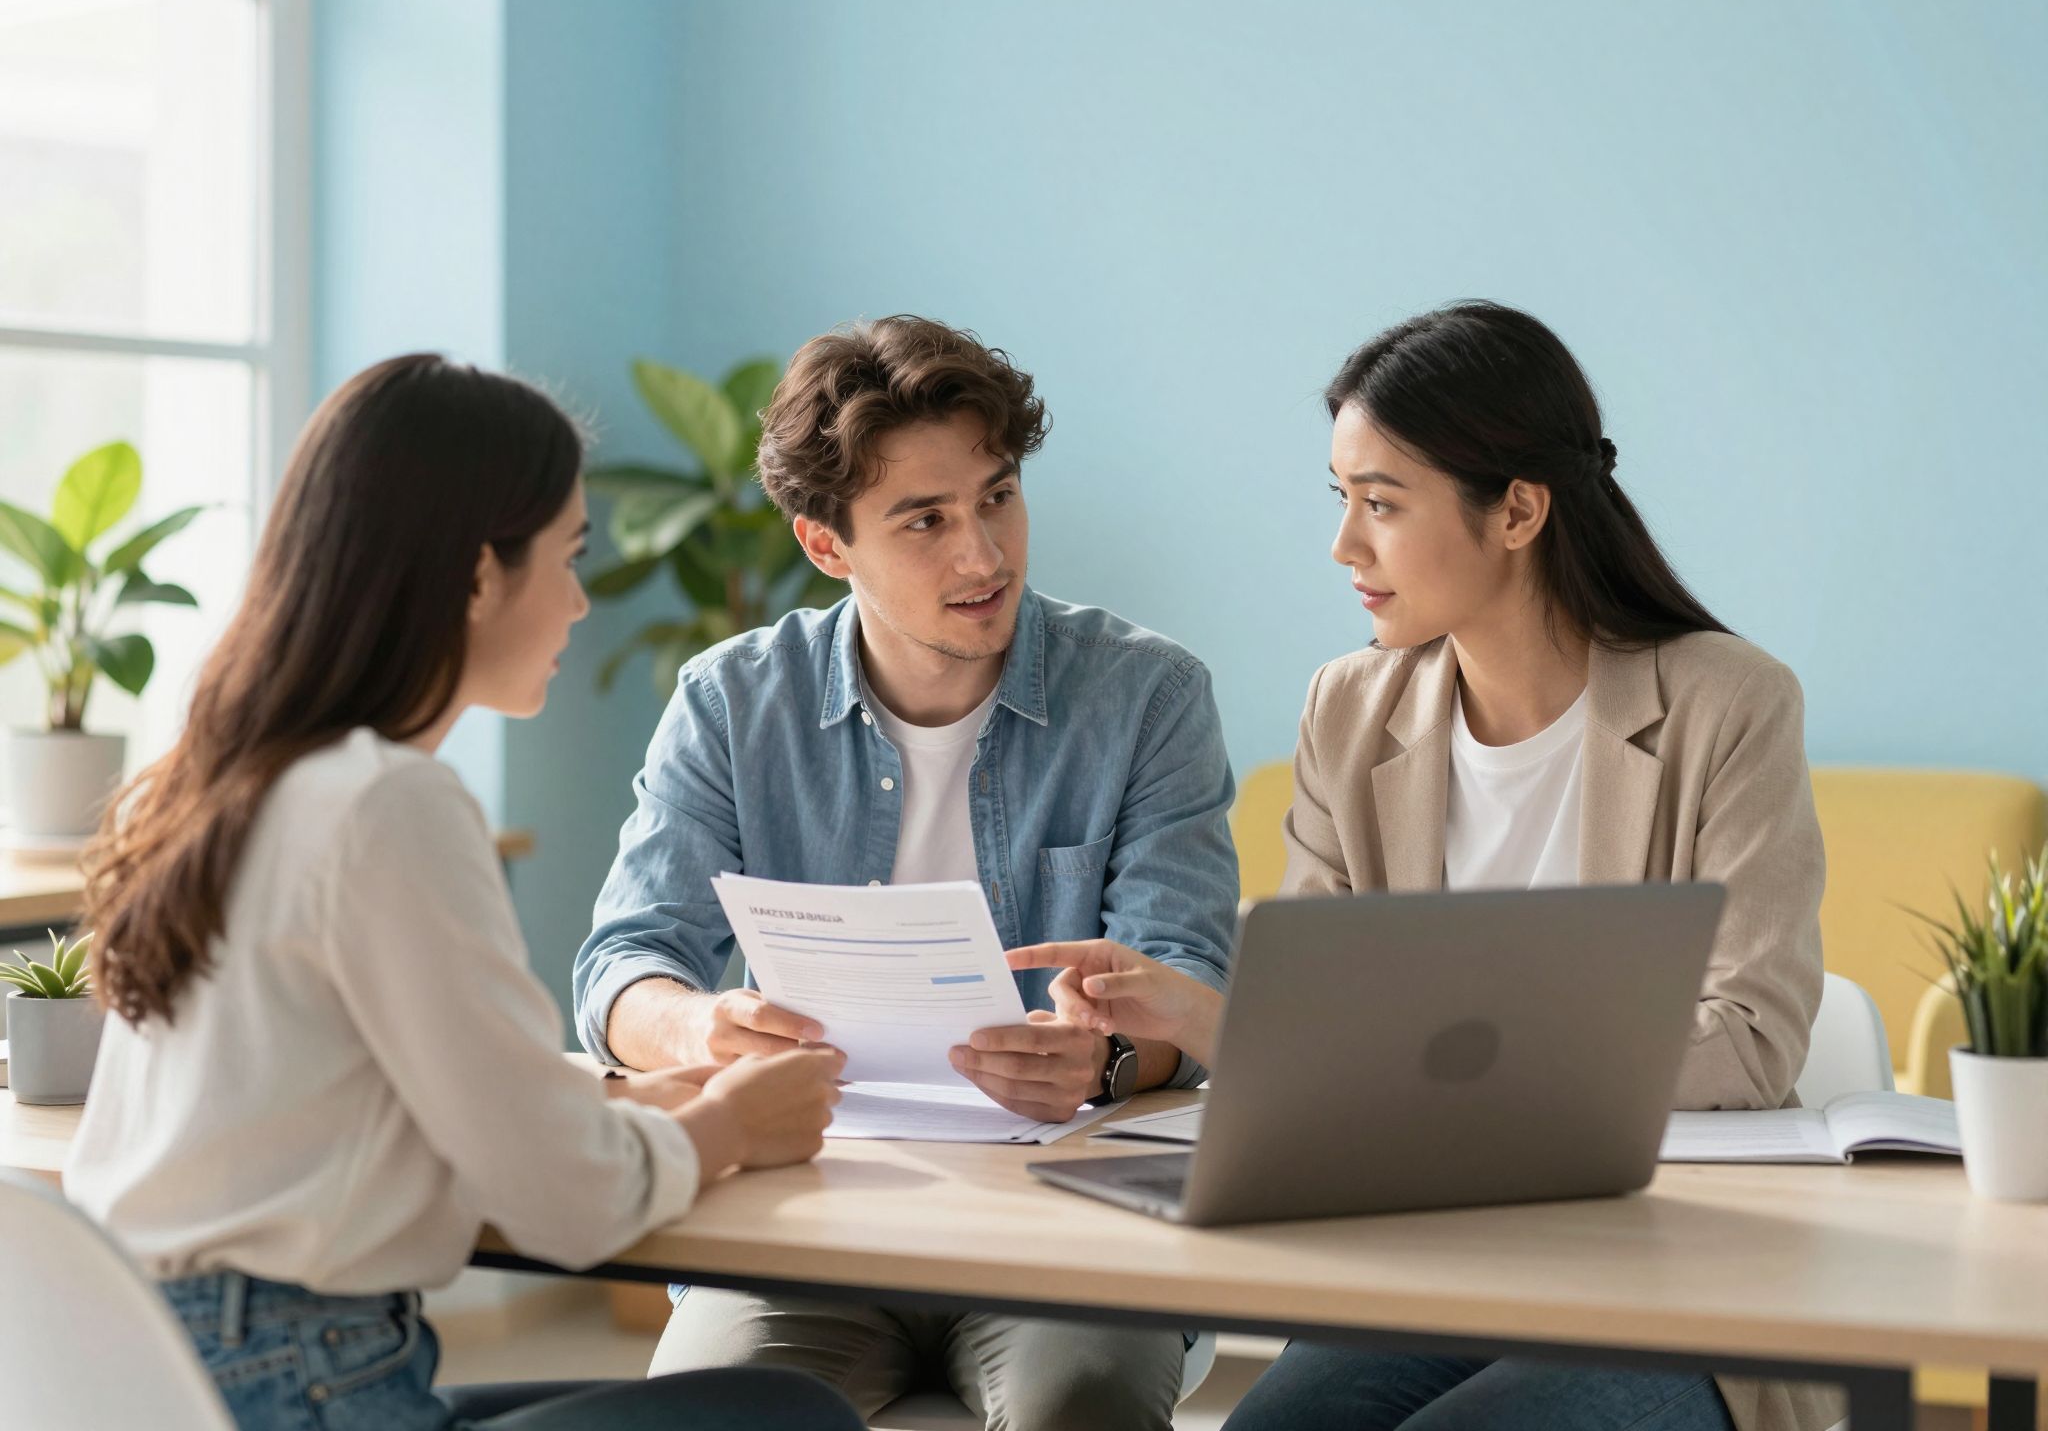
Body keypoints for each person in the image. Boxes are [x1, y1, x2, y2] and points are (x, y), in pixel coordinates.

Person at [1012, 303, 1842, 1431]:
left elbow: (1747, 1044)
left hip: (1670, 1283)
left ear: (1517, 511)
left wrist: (1308, 1039)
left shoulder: (1725, 704)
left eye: (1382, 505)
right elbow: (1325, 1019)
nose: (1345, 547)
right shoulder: (1349, 709)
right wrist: (1202, 1019)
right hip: (1422, 1265)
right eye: (1341, 499)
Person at [65, 354, 859, 1431]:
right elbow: (567, 1205)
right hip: (298, 1385)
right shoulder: (389, 806)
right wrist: (727, 1123)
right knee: (784, 1414)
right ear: (480, 574)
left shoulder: (222, 784)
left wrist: (615, 1107)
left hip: (154, 1371)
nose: (580, 603)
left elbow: (408, 1103)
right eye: (568, 558)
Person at [571, 315, 1239, 1430]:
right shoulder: (732, 702)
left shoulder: (1146, 697)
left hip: (1063, 1226)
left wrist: (1106, 1057)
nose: (982, 555)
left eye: (996, 496)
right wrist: (699, 1031)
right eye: (923, 520)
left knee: (1082, 1403)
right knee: (708, 1417)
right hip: (813, 1224)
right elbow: (623, 961)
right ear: (826, 545)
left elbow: (1185, 976)